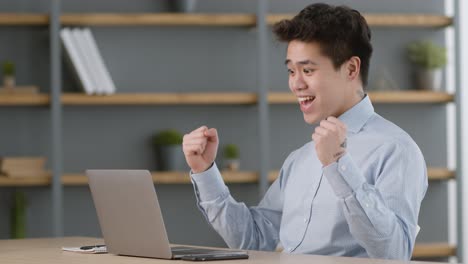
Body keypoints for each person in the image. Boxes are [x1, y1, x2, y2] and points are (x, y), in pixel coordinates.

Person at [182, 3, 428, 260]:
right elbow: (254, 239)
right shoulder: (300, 158)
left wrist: (338, 164)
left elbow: (394, 254)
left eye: (308, 70)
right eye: (291, 71)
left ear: (351, 69)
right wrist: (205, 171)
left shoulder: (397, 149)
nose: (296, 84)